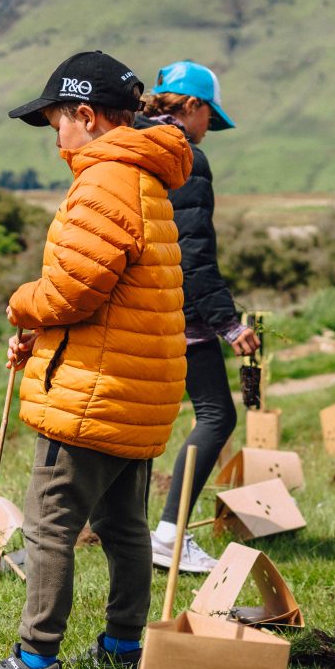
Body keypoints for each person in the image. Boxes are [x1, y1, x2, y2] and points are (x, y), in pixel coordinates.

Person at [0, 50, 192, 669]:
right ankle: (122, 644)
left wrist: (22, 304)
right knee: (123, 525)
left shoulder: (105, 180)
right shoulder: (144, 179)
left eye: (57, 120)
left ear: (86, 115)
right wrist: (48, 336)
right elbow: (110, 299)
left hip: (95, 394)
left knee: (50, 522)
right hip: (134, 389)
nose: (55, 136)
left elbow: (73, 289)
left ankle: (35, 662)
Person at [137, 61, 262, 574]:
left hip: (136, 307)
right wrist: (229, 324)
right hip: (177, 312)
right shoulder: (185, 157)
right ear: (191, 106)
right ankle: (169, 535)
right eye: (210, 114)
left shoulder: (132, 145)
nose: (210, 127)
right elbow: (192, 250)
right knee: (217, 416)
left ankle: (128, 529)